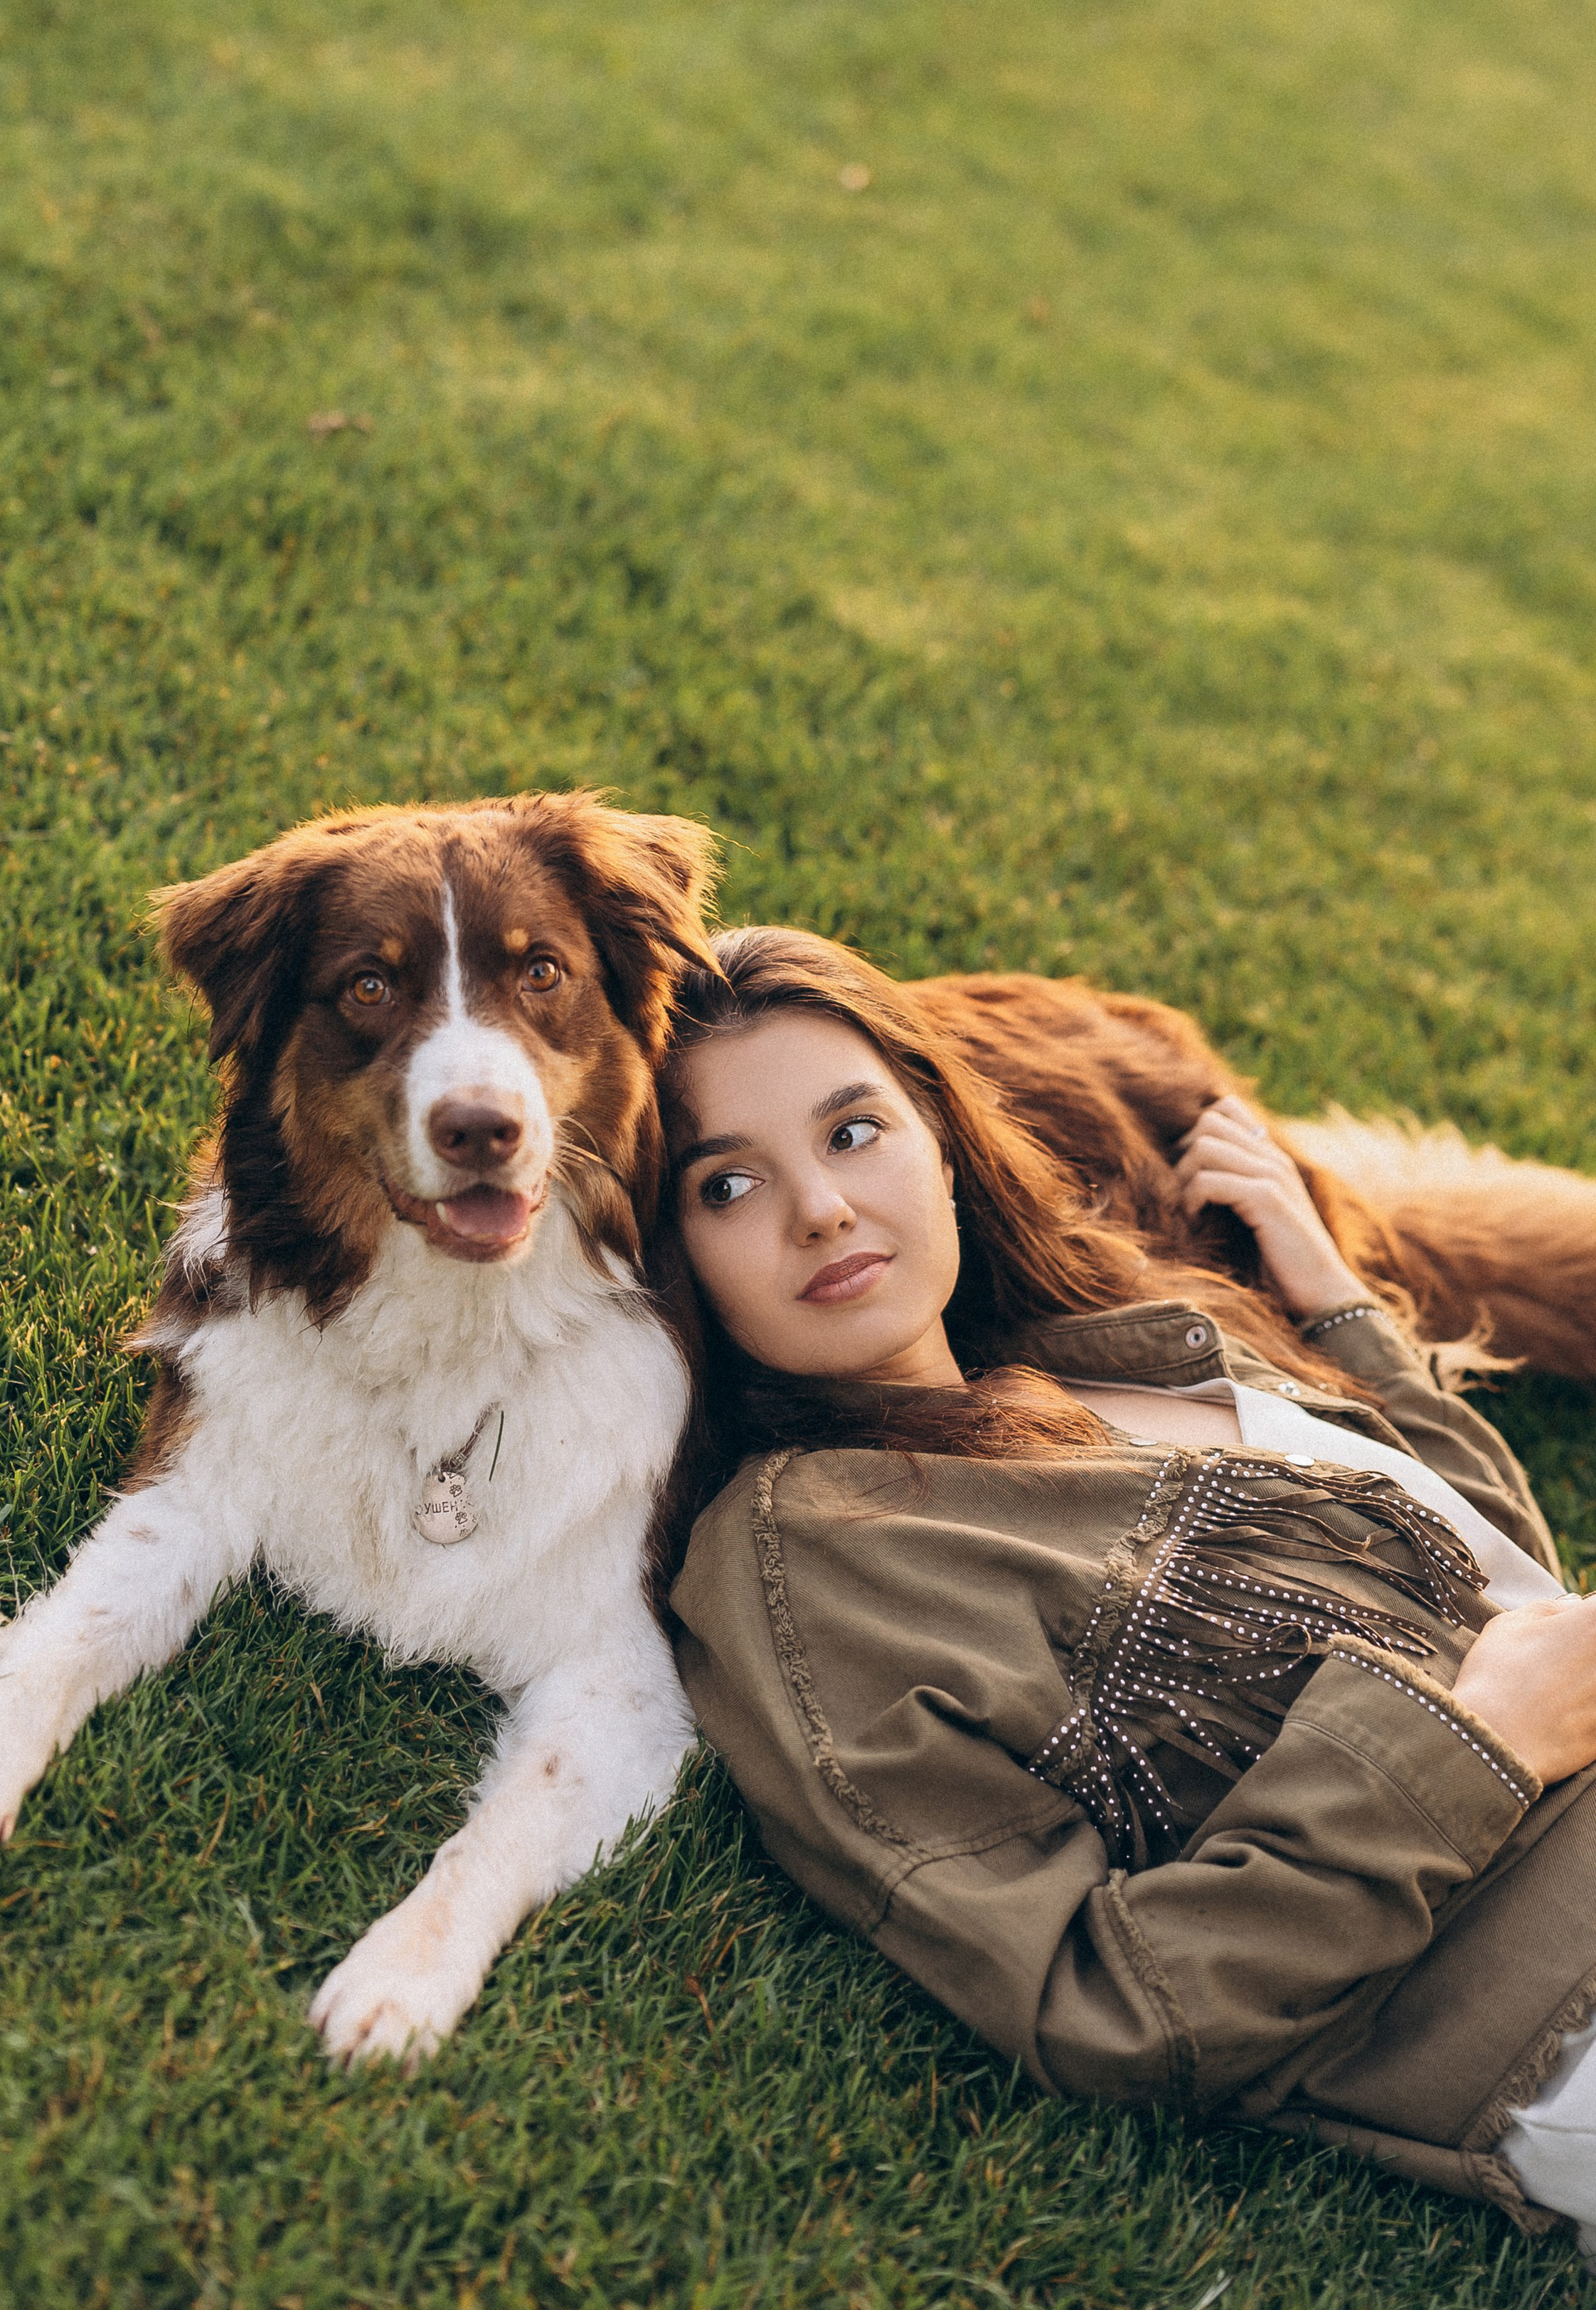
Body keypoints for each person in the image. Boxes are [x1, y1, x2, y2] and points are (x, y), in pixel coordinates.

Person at [661, 927, 1596, 2255]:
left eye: (853, 1133)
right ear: (669, 1254)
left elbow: (1496, 1580)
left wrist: (1332, 1301)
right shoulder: (805, 1556)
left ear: (938, 1133)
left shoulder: (1086, 1354)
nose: (818, 1207)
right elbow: (1109, 2010)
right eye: (726, 1186)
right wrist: (1478, 1745)